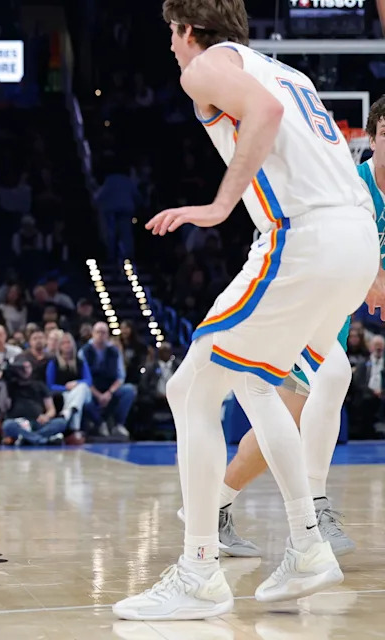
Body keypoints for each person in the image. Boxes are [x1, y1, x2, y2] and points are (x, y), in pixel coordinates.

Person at [115, 2, 379, 620]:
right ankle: (308, 544)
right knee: (261, 385)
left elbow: (263, 114)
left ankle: (199, 571)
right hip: (354, 237)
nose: (173, 50)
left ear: (186, 29)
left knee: (191, 392)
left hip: (302, 238)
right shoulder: (288, 71)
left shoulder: (205, 65)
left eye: (171, 35)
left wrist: (217, 205)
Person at [194, 96, 385, 560]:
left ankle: (213, 509)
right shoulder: (351, 187)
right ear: (372, 137)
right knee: (333, 377)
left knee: (282, 426)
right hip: (291, 294)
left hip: (328, 312)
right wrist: (372, 279)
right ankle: (315, 506)